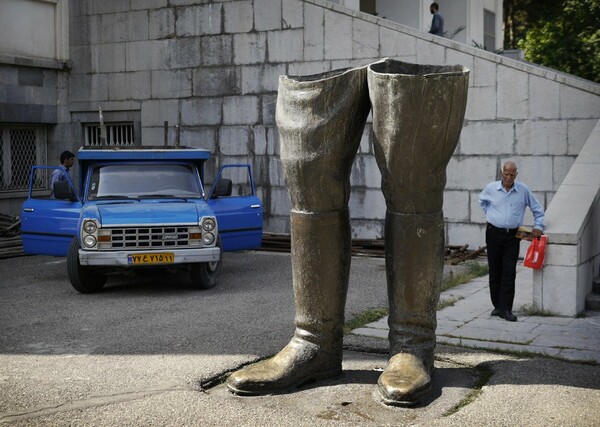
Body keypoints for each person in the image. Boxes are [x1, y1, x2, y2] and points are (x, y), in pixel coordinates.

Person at [479, 161, 545, 322]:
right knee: (495, 270)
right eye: (506, 174)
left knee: (509, 271)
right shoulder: (491, 188)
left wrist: (538, 226)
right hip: (493, 233)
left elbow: (537, 209)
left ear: (516, 175)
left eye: (512, 175)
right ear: (502, 173)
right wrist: (491, 216)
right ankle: (497, 305)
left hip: (513, 236)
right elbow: (482, 202)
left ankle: (506, 309)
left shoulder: (523, 190)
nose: (508, 177)